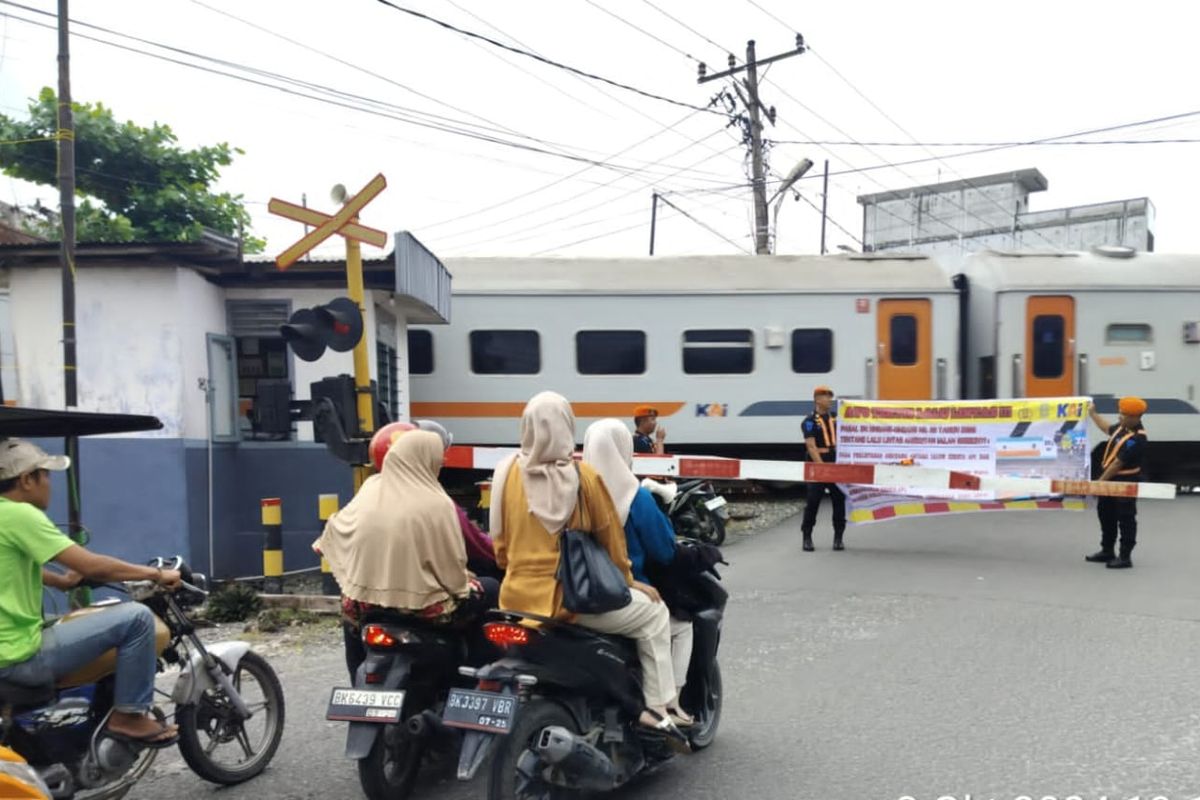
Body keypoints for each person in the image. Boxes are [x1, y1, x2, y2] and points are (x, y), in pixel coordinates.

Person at [490, 392, 685, 742]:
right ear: (567, 426)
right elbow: (611, 541)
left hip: (515, 600)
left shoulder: (505, 472)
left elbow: (499, 544)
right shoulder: (583, 477)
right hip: (570, 603)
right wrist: (629, 581)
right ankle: (658, 708)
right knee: (655, 614)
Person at [0, 439, 183, 748]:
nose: (50, 484)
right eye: (46, 475)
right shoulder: (20, 515)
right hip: (16, 655)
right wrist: (157, 574)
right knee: (137, 619)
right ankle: (129, 716)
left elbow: (12, 565)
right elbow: (93, 566)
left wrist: (61, 582)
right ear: (27, 480)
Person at [317, 430, 499, 682]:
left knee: (350, 615)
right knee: (490, 589)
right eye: (437, 458)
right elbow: (453, 568)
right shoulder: (436, 502)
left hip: (366, 604)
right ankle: (474, 680)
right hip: (422, 607)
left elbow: (338, 528)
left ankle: (356, 683)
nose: (441, 464)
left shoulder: (369, 490)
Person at [583, 418, 695, 727]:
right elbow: (664, 550)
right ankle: (667, 705)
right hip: (621, 590)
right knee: (678, 624)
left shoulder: (579, 491)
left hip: (572, 590)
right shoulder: (635, 496)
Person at [414, 419, 501, 580]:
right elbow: (476, 544)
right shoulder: (438, 502)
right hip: (427, 588)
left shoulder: (372, 490)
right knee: (491, 582)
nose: (443, 461)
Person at [1084, 397, 1148, 569]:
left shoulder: (1138, 439)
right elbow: (1107, 428)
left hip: (1125, 482)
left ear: (1135, 417)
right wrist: (1093, 414)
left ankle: (1125, 556)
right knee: (1106, 514)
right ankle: (1107, 550)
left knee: (1125, 518)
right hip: (1110, 480)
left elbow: (1117, 464)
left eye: (1123, 414)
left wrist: (1099, 483)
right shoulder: (1122, 428)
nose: (1119, 417)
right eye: (1120, 413)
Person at [800, 385, 846, 552]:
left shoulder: (836, 418)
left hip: (836, 462)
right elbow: (811, 447)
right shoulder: (809, 422)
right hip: (818, 464)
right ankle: (807, 537)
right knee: (813, 502)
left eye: (830, 397)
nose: (830, 400)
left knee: (839, 501)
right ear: (817, 399)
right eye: (826, 397)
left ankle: (838, 538)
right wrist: (822, 468)